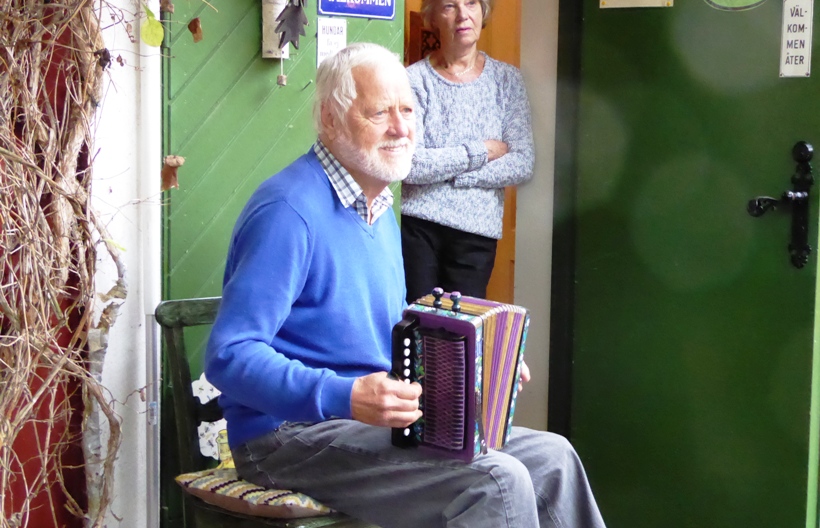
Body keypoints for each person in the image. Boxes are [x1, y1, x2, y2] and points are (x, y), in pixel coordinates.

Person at [205, 42, 606, 528]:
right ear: (330, 119)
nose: (401, 128)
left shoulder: (378, 208)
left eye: (408, 110)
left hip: (373, 425)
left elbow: (389, 334)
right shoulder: (288, 211)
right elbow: (229, 356)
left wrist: (477, 362)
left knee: (553, 458)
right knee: (497, 480)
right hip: (287, 438)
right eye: (380, 113)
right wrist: (345, 394)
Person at [401, 0, 535, 303]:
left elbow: (522, 162)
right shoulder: (413, 80)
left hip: (476, 234)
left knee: (462, 330)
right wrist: (482, 151)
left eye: (471, 3)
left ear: (482, 9)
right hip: (418, 229)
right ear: (433, 16)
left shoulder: (506, 80)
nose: (463, 15)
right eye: (450, 6)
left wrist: (455, 176)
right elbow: (411, 165)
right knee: (418, 324)